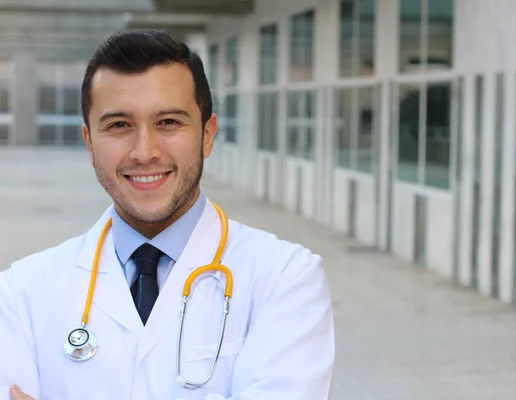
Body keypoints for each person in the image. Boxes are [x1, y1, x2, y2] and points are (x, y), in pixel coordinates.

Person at [0, 29, 335, 400]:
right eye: (119, 126)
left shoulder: (286, 279)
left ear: (208, 135)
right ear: (89, 142)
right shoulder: (21, 294)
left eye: (169, 123)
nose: (145, 152)